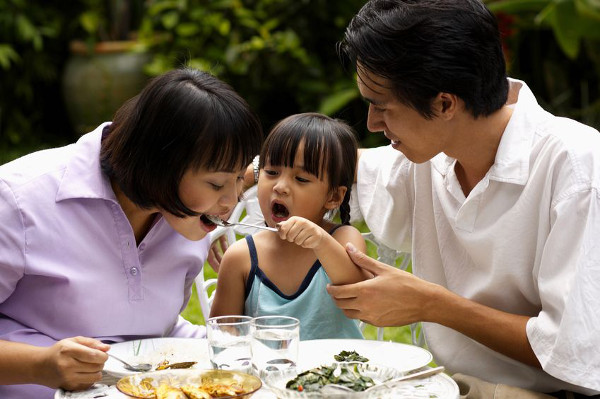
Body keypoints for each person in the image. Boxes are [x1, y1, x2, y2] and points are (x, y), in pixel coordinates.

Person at [325, 0, 600, 397]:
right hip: (453, 387)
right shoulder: (430, 152)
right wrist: (246, 176)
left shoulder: (577, 170)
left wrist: (432, 305)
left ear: (444, 103)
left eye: (381, 106)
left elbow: (574, 351)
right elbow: (342, 164)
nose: (371, 123)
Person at [0, 68, 263, 398]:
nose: (232, 201)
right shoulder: (18, 199)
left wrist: (241, 349)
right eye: (216, 184)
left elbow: (154, 329)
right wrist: (39, 365)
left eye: (240, 178)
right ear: (159, 163)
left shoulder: (185, 219)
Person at [209, 112, 368, 340]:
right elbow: (223, 333)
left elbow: (359, 294)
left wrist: (321, 242)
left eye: (301, 179)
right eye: (272, 172)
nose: (280, 187)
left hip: (337, 373)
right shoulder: (241, 257)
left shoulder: (344, 239)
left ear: (333, 196)